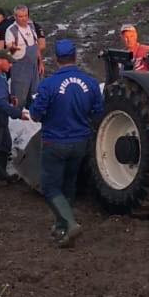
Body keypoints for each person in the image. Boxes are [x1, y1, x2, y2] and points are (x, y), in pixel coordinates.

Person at [29, 39, 103, 248]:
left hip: (55, 142)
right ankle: (61, 227)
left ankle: (70, 224)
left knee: (50, 187)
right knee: (69, 185)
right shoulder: (91, 83)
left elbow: (35, 114)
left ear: (55, 58)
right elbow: (98, 112)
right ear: (75, 56)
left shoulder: (48, 85)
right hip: (80, 142)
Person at [3, 4, 44, 108]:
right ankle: (18, 118)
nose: (24, 19)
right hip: (20, 69)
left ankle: (34, 117)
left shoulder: (31, 26)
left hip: (34, 67)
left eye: (25, 16)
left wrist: (40, 62)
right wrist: (12, 49)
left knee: (35, 94)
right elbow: (9, 49)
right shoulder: (11, 30)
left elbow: (36, 45)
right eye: (20, 17)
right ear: (15, 17)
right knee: (19, 97)